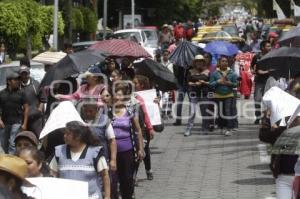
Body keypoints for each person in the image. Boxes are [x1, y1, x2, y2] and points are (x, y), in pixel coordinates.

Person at [49, 121, 111, 199]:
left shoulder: (95, 153)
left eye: (68, 134)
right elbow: (52, 174)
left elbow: (105, 175)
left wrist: (107, 196)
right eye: (65, 133)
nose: (64, 136)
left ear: (78, 136)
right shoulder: (59, 152)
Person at [109, 83, 144, 199]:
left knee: (127, 180)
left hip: (127, 151)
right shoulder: (107, 112)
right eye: (115, 95)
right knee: (112, 181)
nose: (117, 97)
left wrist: (141, 149)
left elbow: (138, 130)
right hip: (111, 153)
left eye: (119, 95)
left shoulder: (129, 110)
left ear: (124, 96)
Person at [132, 75, 155, 180]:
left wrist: (150, 128)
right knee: (136, 153)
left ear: (141, 85)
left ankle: (148, 170)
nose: (133, 84)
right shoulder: (131, 96)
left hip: (144, 128)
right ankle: (134, 176)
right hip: (133, 129)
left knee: (145, 150)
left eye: (135, 83)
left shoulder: (143, 97)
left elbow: (146, 113)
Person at [0, 72, 29, 154]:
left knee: (13, 143)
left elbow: (26, 108)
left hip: (17, 122)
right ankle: (8, 158)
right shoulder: (2, 93)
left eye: (18, 79)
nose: (18, 81)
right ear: (9, 81)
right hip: (4, 123)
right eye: (15, 79)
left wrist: (24, 124)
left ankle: (12, 162)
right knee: (3, 143)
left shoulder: (21, 93)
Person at [210, 56, 238, 136]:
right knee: (220, 112)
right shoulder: (214, 73)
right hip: (218, 96)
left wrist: (230, 83)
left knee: (228, 112)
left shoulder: (232, 73)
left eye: (226, 61)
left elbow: (236, 84)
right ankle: (221, 127)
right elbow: (211, 85)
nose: (225, 63)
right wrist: (217, 82)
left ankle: (229, 128)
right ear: (219, 63)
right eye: (223, 61)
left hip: (229, 95)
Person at [185, 55, 211, 136]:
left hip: (204, 94)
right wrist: (194, 83)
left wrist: (204, 83)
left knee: (204, 113)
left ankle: (205, 128)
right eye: (197, 61)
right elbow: (188, 82)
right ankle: (188, 129)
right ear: (195, 62)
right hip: (194, 94)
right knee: (192, 112)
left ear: (203, 62)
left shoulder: (207, 71)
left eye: (201, 61)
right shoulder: (190, 71)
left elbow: (211, 83)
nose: (199, 63)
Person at [19, 65, 45, 137]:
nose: (24, 76)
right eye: (22, 74)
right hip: (23, 120)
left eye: (25, 74)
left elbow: (43, 99)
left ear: (29, 73)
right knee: (25, 139)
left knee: (39, 138)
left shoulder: (36, 84)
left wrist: (39, 110)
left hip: (36, 119)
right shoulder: (17, 86)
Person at [250, 40, 272, 125]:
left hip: (269, 81)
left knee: (268, 100)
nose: (270, 48)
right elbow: (252, 67)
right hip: (259, 81)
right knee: (257, 100)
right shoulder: (257, 56)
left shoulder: (272, 56)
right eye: (268, 46)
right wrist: (253, 71)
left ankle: (267, 117)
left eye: (270, 46)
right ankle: (258, 117)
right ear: (262, 47)